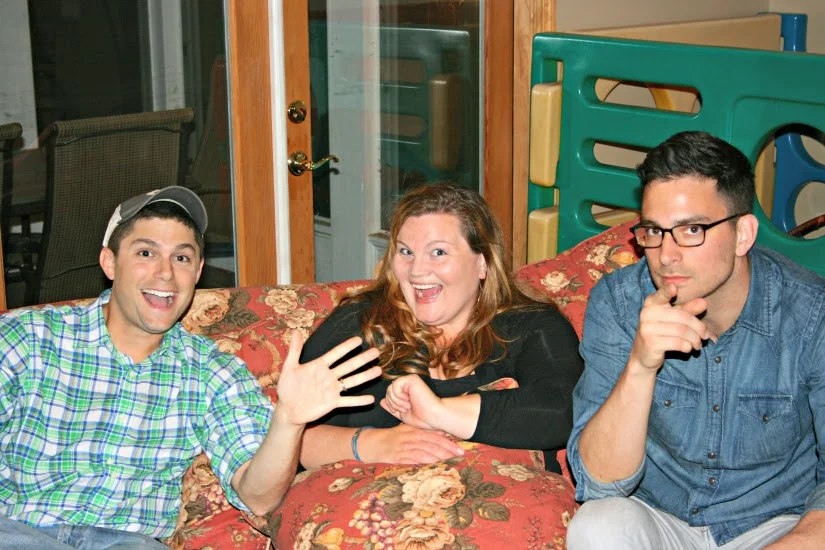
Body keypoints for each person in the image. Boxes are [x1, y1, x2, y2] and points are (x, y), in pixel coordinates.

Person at [0, 186, 382, 549]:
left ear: (197, 272)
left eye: (181, 258)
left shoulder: (212, 372)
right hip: (18, 530)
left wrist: (289, 420)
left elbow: (258, 496)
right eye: (146, 253)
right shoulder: (28, 338)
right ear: (110, 262)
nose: (166, 273)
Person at [566, 131, 825, 549]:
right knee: (596, 526)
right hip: (661, 518)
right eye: (654, 231)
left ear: (743, 234)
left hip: (774, 526)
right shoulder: (619, 303)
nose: (666, 255)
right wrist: (640, 366)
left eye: (691, 229)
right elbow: (598, 482)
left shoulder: (812, 315)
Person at [299, 183, 583, 473]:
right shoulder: (364, 321)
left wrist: (437, 412)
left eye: (438, 252)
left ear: (482, 263)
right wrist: (375, 444)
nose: (417, 271)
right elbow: (292, 436)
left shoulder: (531, 325)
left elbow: (566, 410)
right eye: (406, 252)